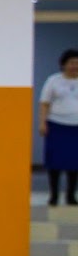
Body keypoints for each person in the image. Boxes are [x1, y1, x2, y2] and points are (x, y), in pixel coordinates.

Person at [39, 49, 78, 205]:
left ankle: (71, 196)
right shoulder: (53, 80)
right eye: (71, 63)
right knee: (54, 162)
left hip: (76, 127)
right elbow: (44, 103)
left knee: (74, 163)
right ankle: (54, 195)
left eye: (77, 63)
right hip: (56, 126)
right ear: (63, 64)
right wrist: (42, 122)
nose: (74, 66)